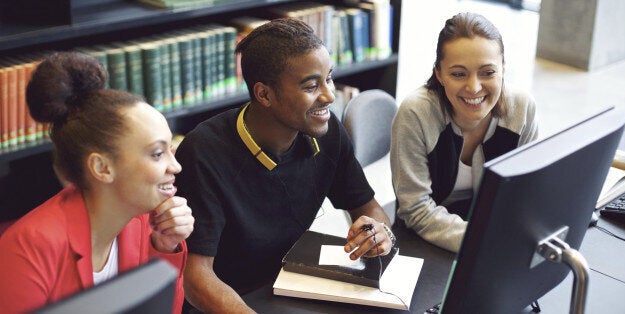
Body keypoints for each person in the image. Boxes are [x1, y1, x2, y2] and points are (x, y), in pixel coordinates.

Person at [175, 18, 395, 313]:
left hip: (290, 287)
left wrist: (379, 232)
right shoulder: (203, 152)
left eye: (329, 78)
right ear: (265, 94)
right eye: (311, 86)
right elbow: (196, 277)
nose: (329, 96)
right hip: (229, 302)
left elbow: (369, 208)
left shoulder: (327, 132)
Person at [0, 52, 194, 313]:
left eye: (171, 149)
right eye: (157, 154)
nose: (176, 166)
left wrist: (164, 247)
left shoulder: (145, 224)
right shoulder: (27, 250)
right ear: (102, 168)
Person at [390, 12, 538, 252]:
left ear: (503, 69)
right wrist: (485, 241)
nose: (474, 87)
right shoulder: (415, 113)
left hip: (492, 232)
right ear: (439, 74)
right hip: (424, 239)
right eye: (458, 74)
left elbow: (526, 191)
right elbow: (415, 210)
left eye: (488, 72)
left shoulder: (522, 108)